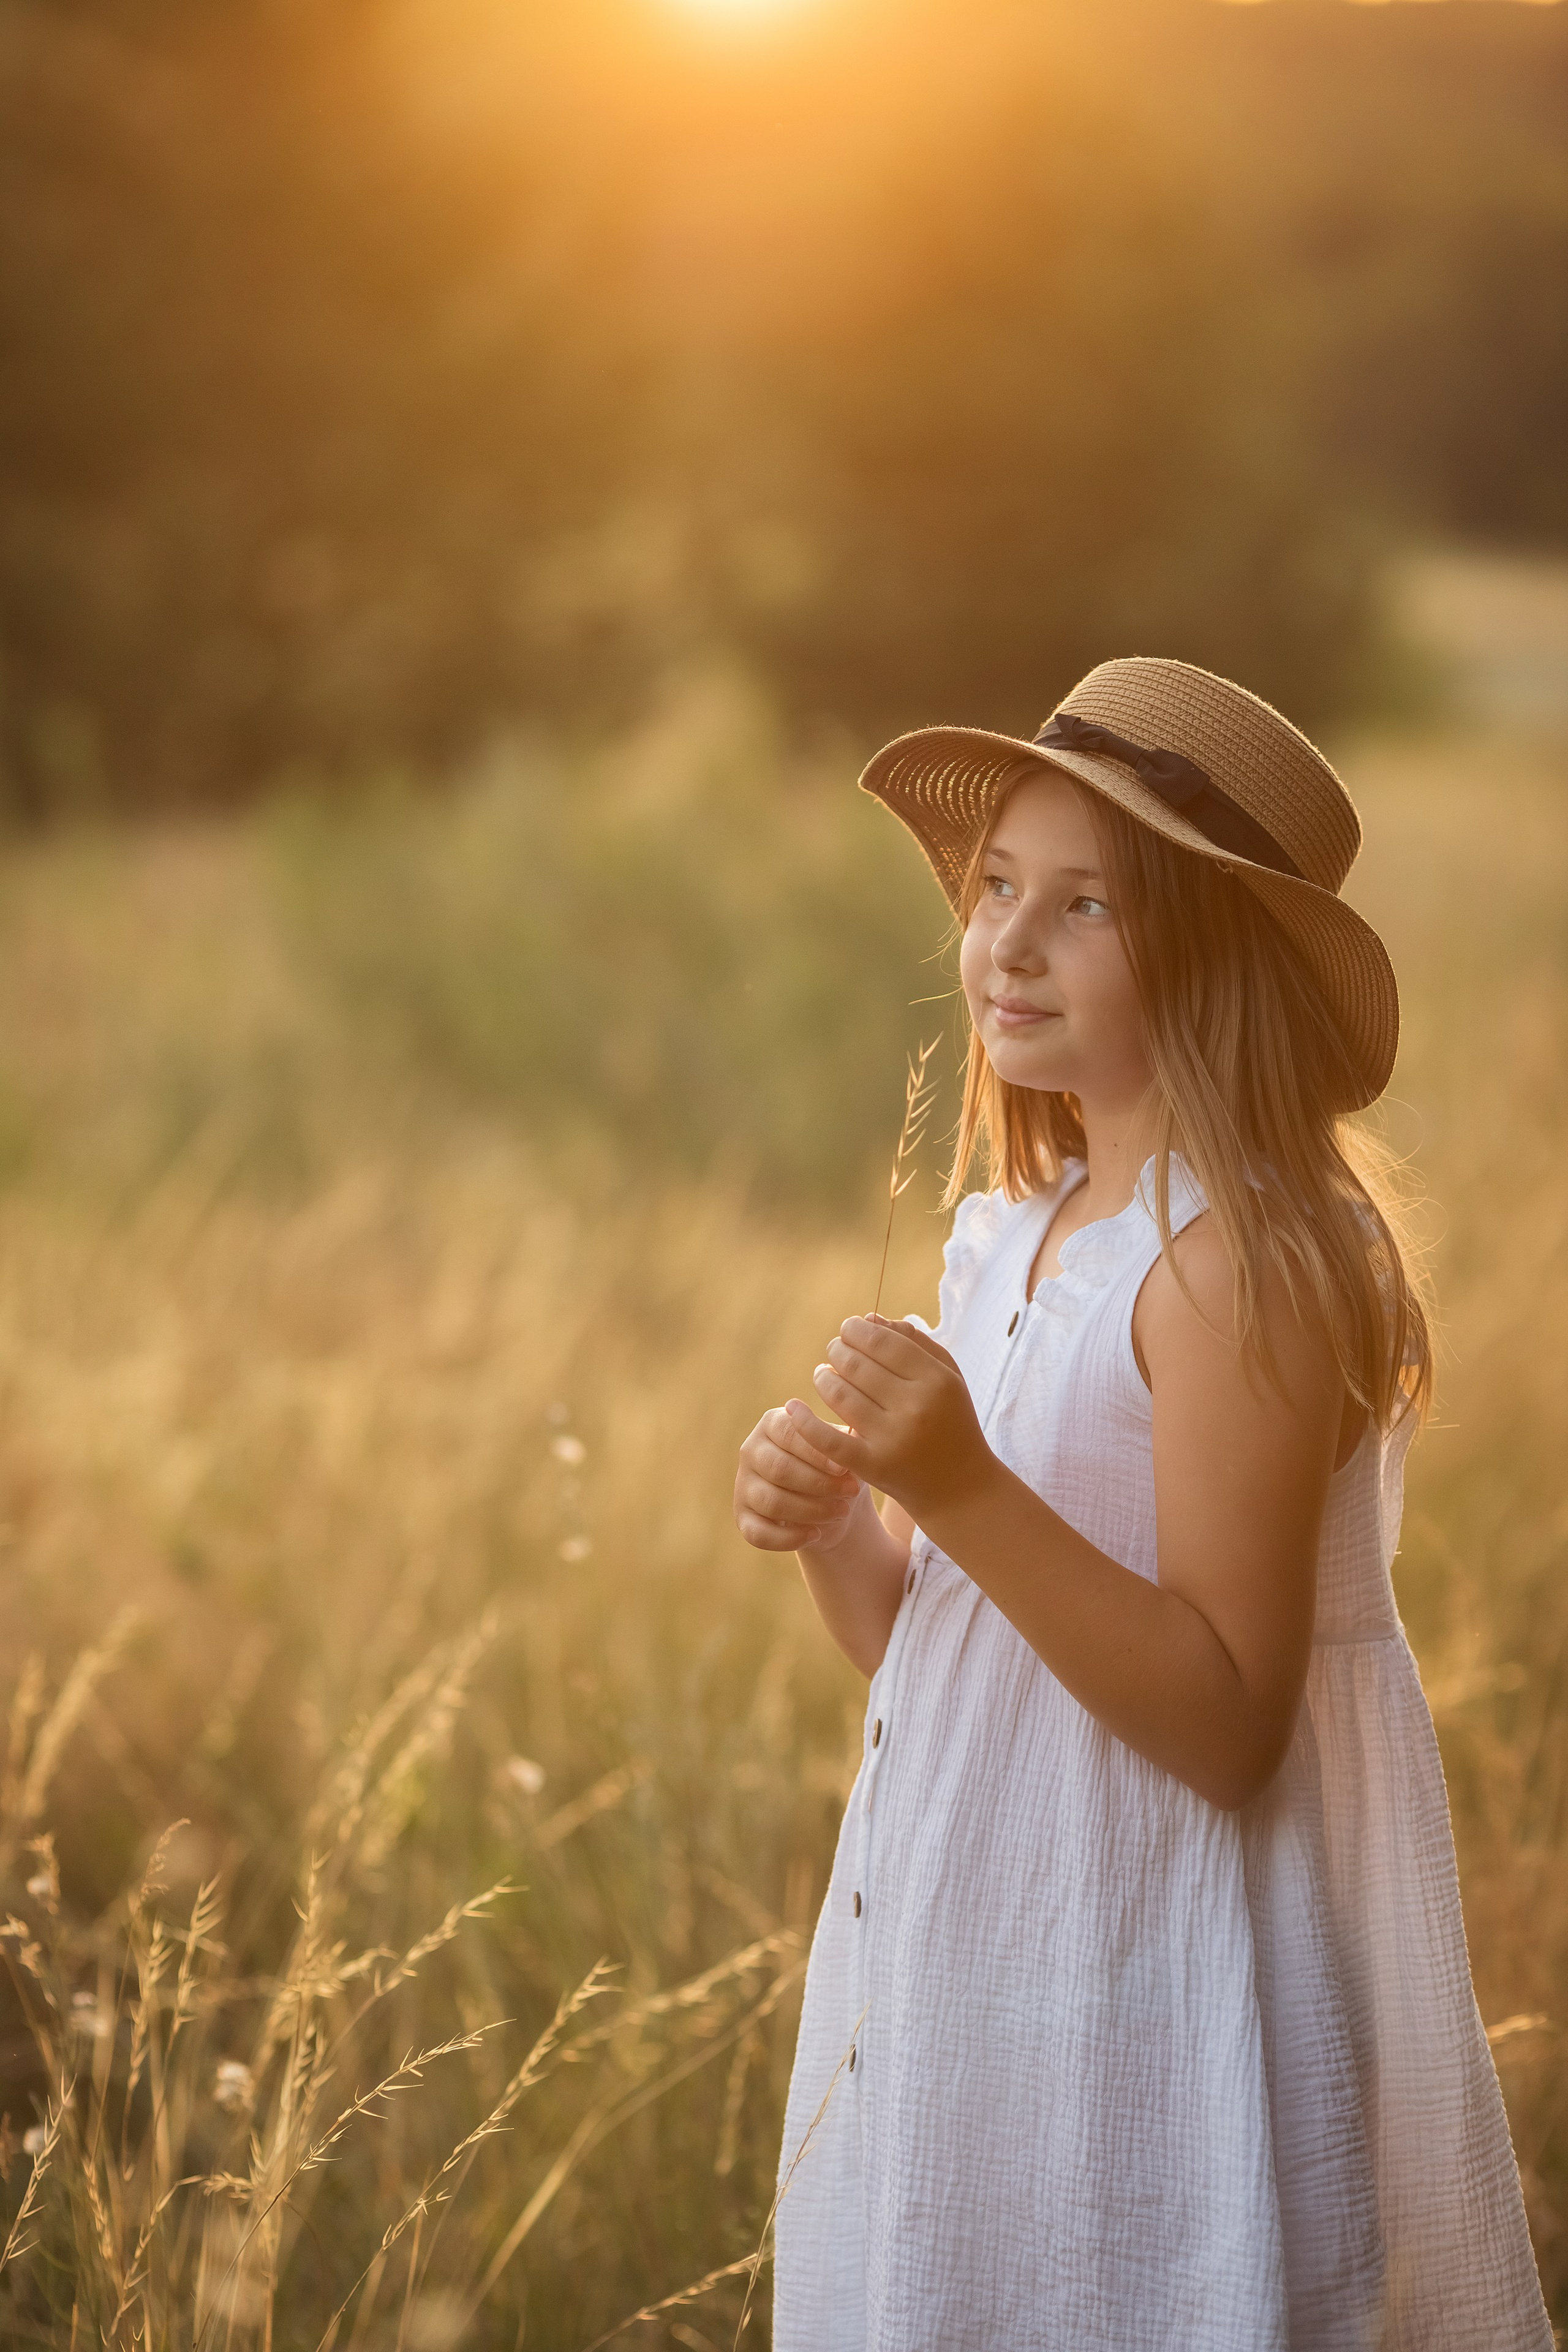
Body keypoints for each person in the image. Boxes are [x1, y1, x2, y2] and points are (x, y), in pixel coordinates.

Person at [733, 658, 1550, 2351]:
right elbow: (942, 1659)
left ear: (1216, 954)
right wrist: (848, 1527)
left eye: (1085, 905)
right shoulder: (1018, 1234)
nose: (1008, 945)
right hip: (986, 1959)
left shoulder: (1242, 1269)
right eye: (999, 889)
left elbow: (1232, 1723)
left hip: (1153, 1991)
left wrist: (956, 1477)